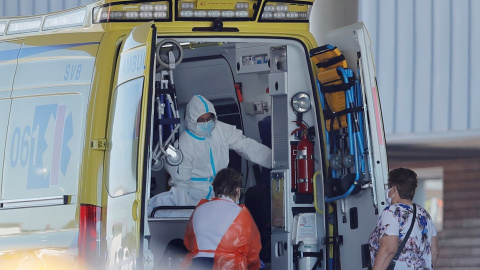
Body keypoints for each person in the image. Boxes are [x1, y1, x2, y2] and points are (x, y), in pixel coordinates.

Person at [148, 95, 272, 216]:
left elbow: (246, 146)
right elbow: (180, 186)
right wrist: (186, 215)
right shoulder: (184, 144)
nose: (206, 123)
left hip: (219, 190)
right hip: (194, 196)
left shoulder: (220, 130)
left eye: (209, 119)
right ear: (191, 120)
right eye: (201, 120)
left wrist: (274, 159)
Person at [180, 168, 262, 270]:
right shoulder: (241, 213)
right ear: (237, 190)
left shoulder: (199, 208)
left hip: (197, 264)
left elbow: (188, 242)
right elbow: (253, 254)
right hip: (230, 266)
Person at [369, 168, 440, 269]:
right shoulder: (424, 214)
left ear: (394, 189)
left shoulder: (392, 212)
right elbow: (434, 251)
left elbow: (389, 249)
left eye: (388, 187)